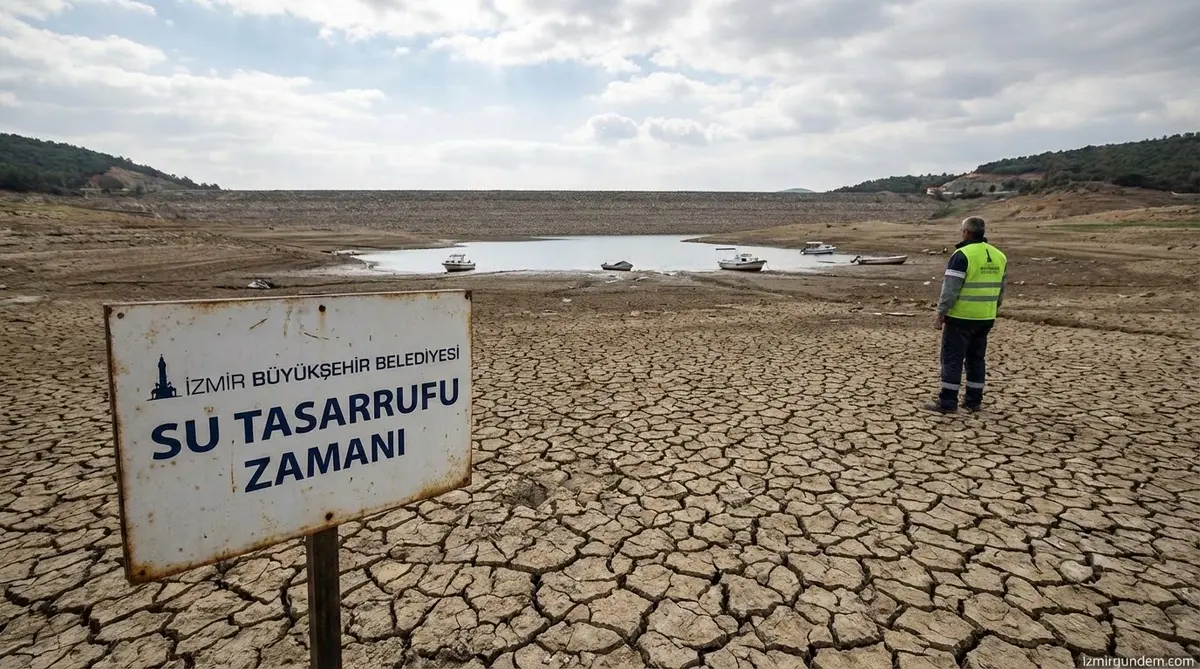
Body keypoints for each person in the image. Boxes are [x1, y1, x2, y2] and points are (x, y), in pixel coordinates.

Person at [925, 216, 1008, 414]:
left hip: (961, 318)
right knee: (976, 359)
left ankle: (947, 402)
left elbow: (950, 290)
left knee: (952, 359)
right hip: (986, 318)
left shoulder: (962, 255)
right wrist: (994, 309)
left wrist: (941, 313)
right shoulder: (999, 256)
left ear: (966, 232)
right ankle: (973, 401)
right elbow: (1001, 290)